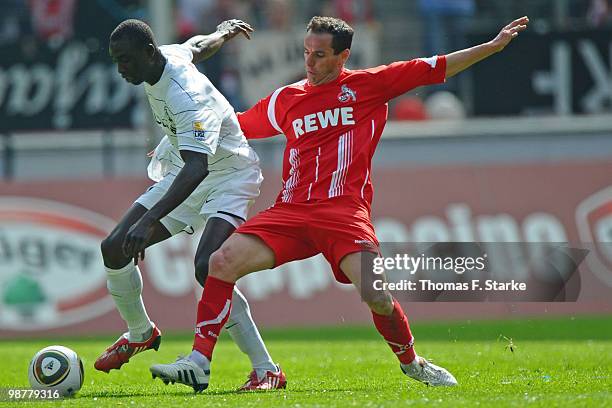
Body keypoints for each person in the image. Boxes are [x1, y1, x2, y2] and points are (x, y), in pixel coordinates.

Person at [150, 15, 530, 391]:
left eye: (319, 55)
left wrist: (492, 46)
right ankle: (199, 361)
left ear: (342, 56)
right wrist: (176, 140)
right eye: (306, 53)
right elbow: (232, 126)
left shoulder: (369, 86)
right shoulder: (286, 98)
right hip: (291, 212)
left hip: (344, 213)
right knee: (220, 261)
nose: (309, 63)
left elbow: (436, 68)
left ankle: (412, 362)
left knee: (376, 295)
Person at [98, 18, 286, 392]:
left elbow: (198, 169)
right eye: (116, 61)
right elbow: (197, 46)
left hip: (229, 175)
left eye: (127, 61)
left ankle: (266, 369)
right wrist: (223, 32)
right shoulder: (167, 57)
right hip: (187, 170)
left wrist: (149, 219)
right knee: (113, 248)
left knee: (208, 268)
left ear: (149, 53)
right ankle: (140, 333)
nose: (121, 70)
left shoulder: (188, 98)